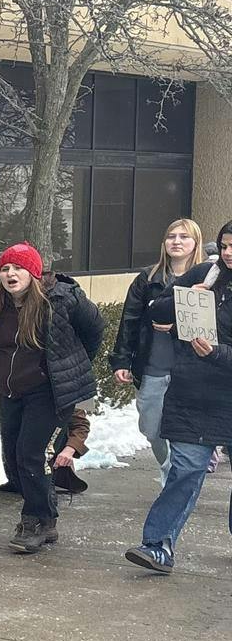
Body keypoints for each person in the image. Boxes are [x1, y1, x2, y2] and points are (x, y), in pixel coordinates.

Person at [0, 243, 105, 554]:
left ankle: (34, 520)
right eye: (5, 268)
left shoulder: (60, 299)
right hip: (9, 390)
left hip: (48, 392)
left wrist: (69, 366)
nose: (10, 274)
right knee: (13, 456)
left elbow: (94, 330)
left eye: (18, 268)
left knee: (31, 454)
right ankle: (46, 518)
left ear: (33, 272)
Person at [126, 220, 232, 574]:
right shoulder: (206, 274)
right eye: (224, 245)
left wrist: (217, 353)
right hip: (193, 395)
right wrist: (182, 298)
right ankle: (157, 545)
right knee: (184, 470)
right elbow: (155, 310)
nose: (228, 253)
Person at [112, 218, 204, 475]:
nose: (176, 241)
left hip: (191, 371)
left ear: (196, 242)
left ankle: (177, 480)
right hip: (153, 367)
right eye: (171, 236)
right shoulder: (148, 278)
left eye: (184, 237)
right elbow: (129, 320)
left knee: (185, 432)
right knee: (152, 429)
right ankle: (171, 471)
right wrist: (121, 360)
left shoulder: (208, 278)